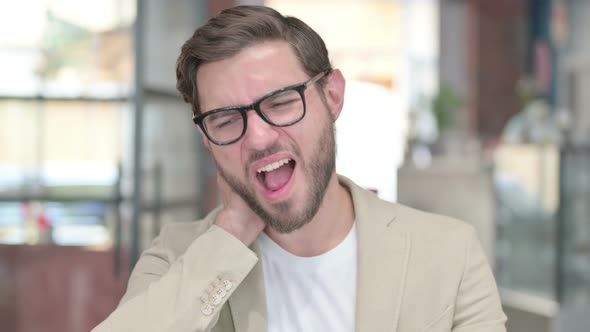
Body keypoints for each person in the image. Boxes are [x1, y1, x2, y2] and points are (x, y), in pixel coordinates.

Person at [93, 5, 506, 332]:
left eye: (280, 103)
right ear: (207, 139)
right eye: (225, 120)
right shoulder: (176, 257)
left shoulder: (450, 254)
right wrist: (234, 230)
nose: (257, 138)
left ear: (332, 96)